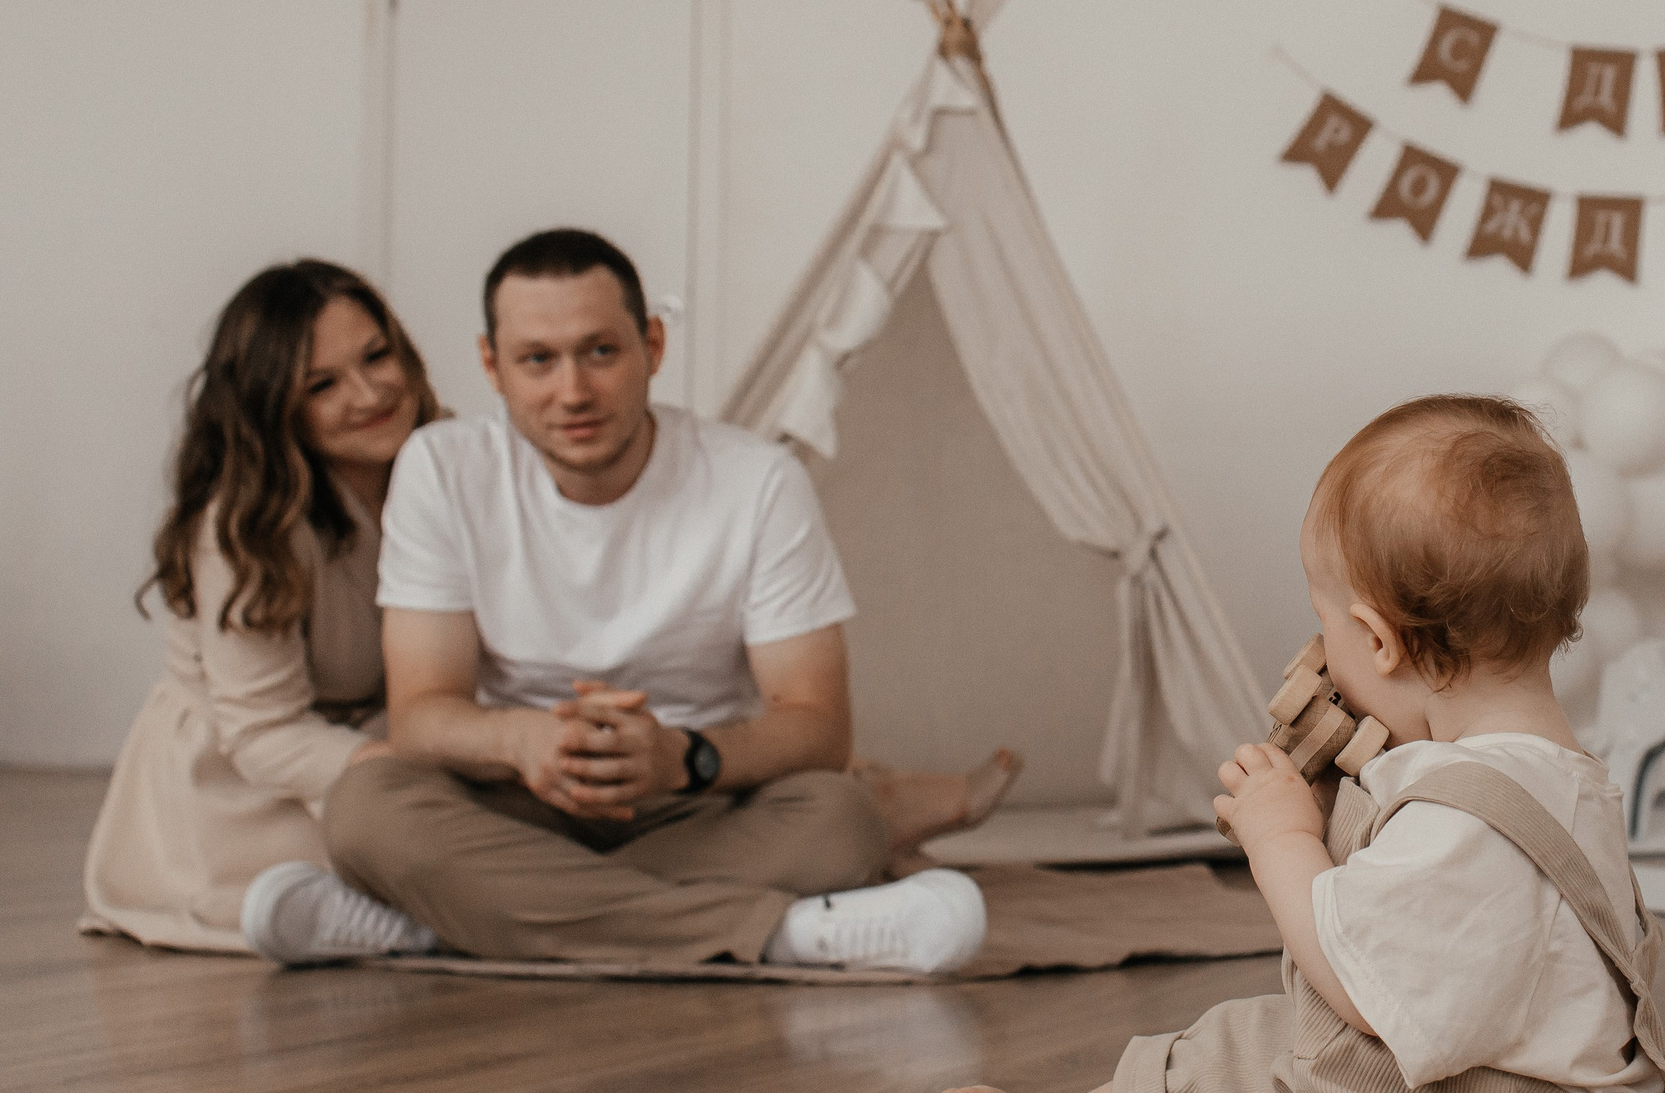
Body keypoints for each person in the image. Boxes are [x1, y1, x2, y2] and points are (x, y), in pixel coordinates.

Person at [916, 396, 1665, 1093]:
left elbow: (1359, 987)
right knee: (1246, 1045)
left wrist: (1281, 839)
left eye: (1327, 624)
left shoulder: (1474, 827)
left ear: (1377, 639)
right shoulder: (1516, 772)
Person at [241, 227, 1015, 969]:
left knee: (840, 821)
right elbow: (420, 711)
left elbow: (816, 724)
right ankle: (784, 934)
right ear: (491, 364)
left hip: (696, 801)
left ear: (652, 346)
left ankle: (433, 924)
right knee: (368, 810)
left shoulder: (755, 481)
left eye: (600, 352)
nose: (572, 391)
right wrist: (521, 742)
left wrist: (686, 756)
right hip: (516, 798)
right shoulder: (441, 468)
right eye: (537, 360)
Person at [83, 261, 441, 951]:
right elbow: (265, 733)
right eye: (323, 385)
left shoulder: (440, 466)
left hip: (372, 736)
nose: (369, 392)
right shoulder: (242, 525)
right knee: (444, 841)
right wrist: (414, 768)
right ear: (273, 404)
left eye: (376, 355)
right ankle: (374, 916)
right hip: (246, 782)